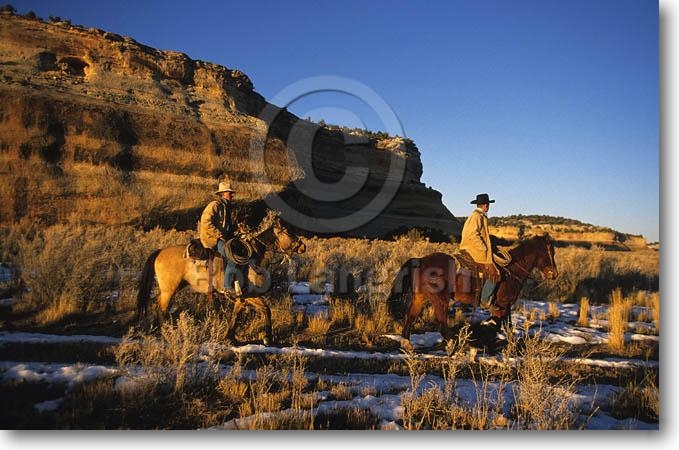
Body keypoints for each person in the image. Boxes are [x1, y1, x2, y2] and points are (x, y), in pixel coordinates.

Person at [199, 181, 241, 295]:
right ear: (223, 194)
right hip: (212, 238)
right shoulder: (214, 205)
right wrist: (219, 235)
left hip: (221, 238)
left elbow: (227, 227)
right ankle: (227, 286)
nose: (232, 195)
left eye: (232, 193)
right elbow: (205, 222)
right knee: (233, 258)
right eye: (230, 193)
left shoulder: (227, 207)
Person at [459, 193, 501, 306]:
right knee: (494, 273)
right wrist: (483, 247)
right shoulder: (477, 216)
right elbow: (473, 234)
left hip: (472, 248)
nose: (488, 206)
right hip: (474, 249)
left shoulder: (479, 215)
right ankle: (484, 300)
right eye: (487, 204)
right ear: (485, 205)